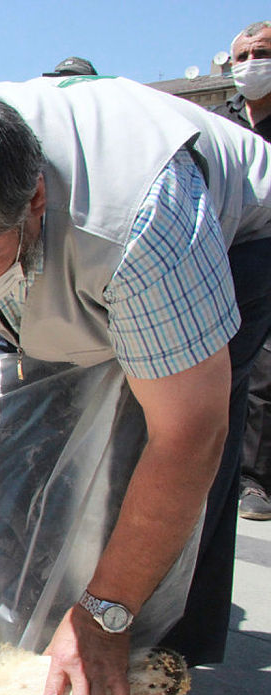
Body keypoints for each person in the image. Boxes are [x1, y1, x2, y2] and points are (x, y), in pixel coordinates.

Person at [0, 77, 271, 695]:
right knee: (23, 448)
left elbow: (189, 433)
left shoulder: (141, 218)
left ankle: (127, 660)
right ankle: (23, 628)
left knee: (135, 454)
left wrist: (105, 610)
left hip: (231, 236)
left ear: (36, 202)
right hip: (60, 260)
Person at [213, 20, 271, 519]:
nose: (250, 64)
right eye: (243, 56)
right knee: (244, 379)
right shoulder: (222, 118)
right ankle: (245, 480)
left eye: (262, 53)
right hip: (233, 254)